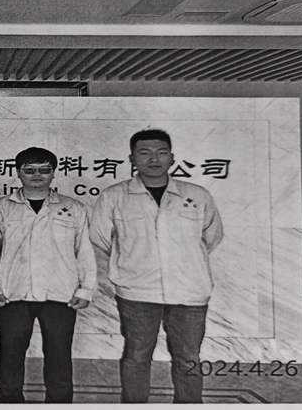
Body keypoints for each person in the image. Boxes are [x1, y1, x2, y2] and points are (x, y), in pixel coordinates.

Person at [89, 129, 224, 403]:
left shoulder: (197, 195)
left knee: (188, 358)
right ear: (132, 158)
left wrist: (184, 260)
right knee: (136, 357)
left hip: (190, 292)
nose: (154, 159)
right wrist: (131, 261)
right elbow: (100, 237)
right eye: (145, 153)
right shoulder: (115, 196)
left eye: (161, 153)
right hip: (137, 292)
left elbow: (212, 235)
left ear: (171, 157)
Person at [0, 147, 96, 403]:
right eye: (30, 170)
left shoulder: (73, 208)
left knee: (59, 356)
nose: (37, 175)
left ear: (54, 173)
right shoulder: (0, 208)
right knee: (10, 356)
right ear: (18, 173)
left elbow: (84, 251)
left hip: (61, 294)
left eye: (44, 170)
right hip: (12, 293)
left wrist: (86, 289)